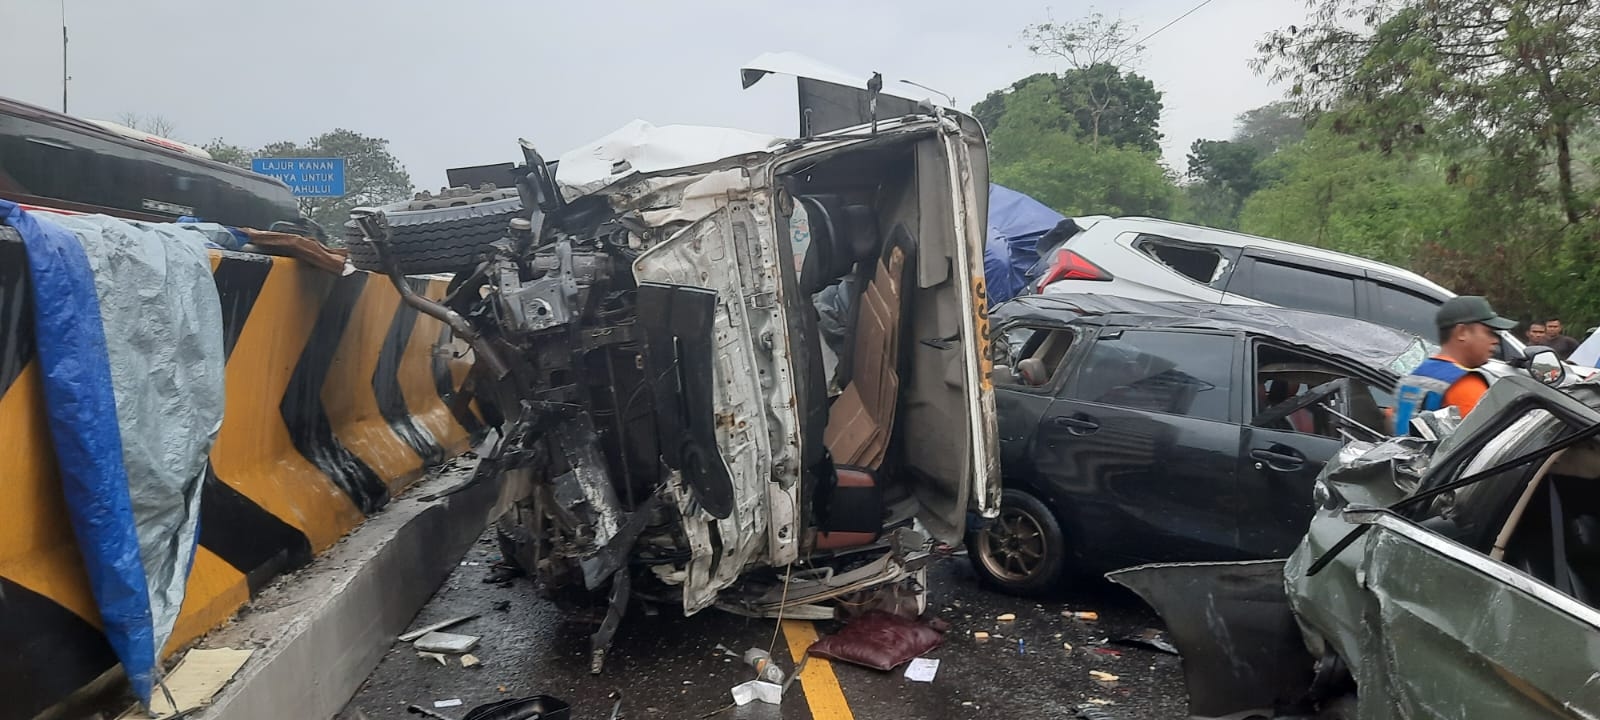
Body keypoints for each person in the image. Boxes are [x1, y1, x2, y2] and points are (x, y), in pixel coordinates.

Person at [1392, 296, 1515, 434]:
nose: (1496, 340)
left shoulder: (1412, 377)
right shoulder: (1467, 385)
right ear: (1461, 332)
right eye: (1489, 332)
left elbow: (1391, 419)